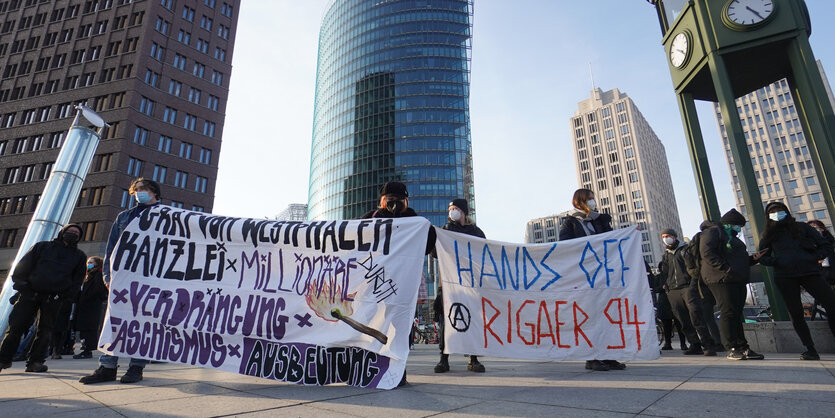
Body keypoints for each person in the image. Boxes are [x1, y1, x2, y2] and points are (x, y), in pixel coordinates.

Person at [80, 178, 162, 384]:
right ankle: (107, 366)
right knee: (115, 320)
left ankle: (136, 367)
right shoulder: (124, 217)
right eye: (137, 190)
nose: (140, 192)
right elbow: (112, 248)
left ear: (155, 192)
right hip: (124, 275)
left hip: (152, 276)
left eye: (145, 189)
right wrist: (107, 274)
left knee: (144, 321)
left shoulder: (166, 216)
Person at [361, 181, 436, 387]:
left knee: (401, 329)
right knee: (370, 322)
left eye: (398, 200)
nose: (394, 204)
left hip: (403, 282)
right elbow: (357, 238)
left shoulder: (415, 220)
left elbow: (428, 245)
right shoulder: (372, 217)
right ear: (382, 201)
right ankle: (369, 365)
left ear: (406, 201)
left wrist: (409, 218)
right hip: (375, 279)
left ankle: (398, 369)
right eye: (389, 200)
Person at [0, 224, 87, 373]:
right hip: (30, 294)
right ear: (63, 232)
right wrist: (23, 286)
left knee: (45, 331)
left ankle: (35, 361)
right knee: (16, 328)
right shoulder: (42, 247)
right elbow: (23, 266)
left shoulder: (79, 257)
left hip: (54, 298)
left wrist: (66, 296)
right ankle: (3, 360)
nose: (73, 234)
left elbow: (77, 280)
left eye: (76, 233)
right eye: (70, 231)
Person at [757, 202, 835, 360]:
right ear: (768, 216)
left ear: (786, 212)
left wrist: (813, 257)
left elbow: (826, 245)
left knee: (831, 303)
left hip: (810, 272)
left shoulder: (803, 228)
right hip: (785, 276)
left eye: (780, 211)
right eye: (773, 212)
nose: (777, 214)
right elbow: (762, 256)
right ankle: (810, 349)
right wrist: (777, 261)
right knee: (795, 313)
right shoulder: (768, 234)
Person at [558, 188, 625, 371]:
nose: (593, 202)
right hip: (584, 276)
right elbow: (565, 246)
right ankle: (592, 356)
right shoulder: (570, 222)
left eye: (593, 199)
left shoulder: (599, 221)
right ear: (580, 201)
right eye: (590, 199)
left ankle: (609, 355)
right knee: (590, 316)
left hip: (602, 274)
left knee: (607, 315)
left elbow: (611, 241)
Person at [700, 209, 764, 360]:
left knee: (736, 314)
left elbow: (738, 261)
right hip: (721, 279)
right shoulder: (713, 232)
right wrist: (725, 268)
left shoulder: (733, 239)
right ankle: (732, 347)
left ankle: (743, 346)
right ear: (730, 224)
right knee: (728, 312)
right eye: (738, 225)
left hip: (736, 278)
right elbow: (707, 252)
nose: (739, 229)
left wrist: (754, 259)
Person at [433, 198, 486, 373]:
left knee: (472, 319)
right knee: (446, 321)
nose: (452, 211)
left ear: (463, 212)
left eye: (455, 208)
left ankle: (473, 358)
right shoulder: (445, 230)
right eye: (450, 208)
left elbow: (484, 252)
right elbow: (434, 253)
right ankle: (444, 358)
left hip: (470, 283)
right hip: (448, 283)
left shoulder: (476, 232)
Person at [659, 228, 717, 356]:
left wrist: (692, 285)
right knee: (683, 320)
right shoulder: (666, 255)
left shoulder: (685, 250)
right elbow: (665, 273)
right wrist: (666, 287)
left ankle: (708, 345)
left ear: (674, 237)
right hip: (673, 290)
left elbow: (694, 269)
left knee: (696, 317)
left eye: (668, 236)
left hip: (687, 287)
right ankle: (694, 344)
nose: (665, 239)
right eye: (663, 236)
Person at [73, 256, 109, 359]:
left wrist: (87, 297)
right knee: (84, 328)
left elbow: (98, 290)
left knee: (89, 328)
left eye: (91, 262)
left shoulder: (97, 275)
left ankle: (87, 349)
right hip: (85, 305)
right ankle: (86, 348)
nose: (89, 264)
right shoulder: (88, 275)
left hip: (91, 305)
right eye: (88, 262)